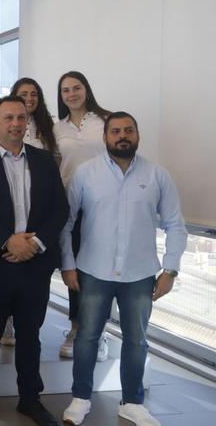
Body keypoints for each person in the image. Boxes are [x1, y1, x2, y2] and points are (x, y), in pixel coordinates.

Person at [60, 112, 187, 426]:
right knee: (87, 336)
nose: (122, 136)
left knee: (136, 340)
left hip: (140, 275)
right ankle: (80, 397)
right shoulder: (85, 174)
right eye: (115, 131)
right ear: (105, 137)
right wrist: (67, 266)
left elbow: (176, 226)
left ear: (138, 135)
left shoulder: (158, 176)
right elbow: (66, 224)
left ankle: (132, 402)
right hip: (93, 271)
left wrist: (170, 270)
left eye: (128, 130)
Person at [0, 96, 68, 426]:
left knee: (30, 334)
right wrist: (6, 240)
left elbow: (59, 209)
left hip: (33, 264)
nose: (15, 124)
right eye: (8, 118)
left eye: (21, 118)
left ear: (28, 122)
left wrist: (34, 243)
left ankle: (30, 398)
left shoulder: (44, 160)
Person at [54, 71, 112, 361]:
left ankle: (99, 330)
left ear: (86, 90)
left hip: (103, 204)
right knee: (74, 267)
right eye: (65, 90)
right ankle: (77, 327)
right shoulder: (57, 127)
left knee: (99, 268)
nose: (71, 94)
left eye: (76, 88)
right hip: (71, 206)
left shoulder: (105, 121)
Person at [9, 78, 58, 154]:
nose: (29, 98)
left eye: (33, 95)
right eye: (24, 95)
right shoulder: (5, 124)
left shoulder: (48, 124)